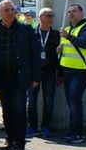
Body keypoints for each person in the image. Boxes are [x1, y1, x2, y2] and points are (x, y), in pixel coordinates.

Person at [0, 0, 40, 150]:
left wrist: (36, 77)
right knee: (7, 111)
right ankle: (10, 138)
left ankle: (19, 143)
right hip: (1, 77)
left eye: (11, 10)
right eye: (6, 10)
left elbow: (35, 54)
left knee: (19, 110)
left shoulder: (25, 29)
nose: (9, 12)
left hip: (19, 77)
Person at [59, 4, 86, 143]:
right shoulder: (68, 29)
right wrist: (60, 50)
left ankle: (78, 133)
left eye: (74, 11)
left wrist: (68, 36)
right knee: (71, 102)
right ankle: (73, 131)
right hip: (67, 71)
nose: (71, 14)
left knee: (75, 101)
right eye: (69, 12)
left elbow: (85, 43)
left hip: (81, 71)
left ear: (81, 12)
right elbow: (68, 51)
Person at [26, 8, 60, 138]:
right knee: (32, 100)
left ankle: (46, 126)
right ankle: (32, 126)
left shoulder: (56, 35)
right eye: (48, 15)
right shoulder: (31, 33)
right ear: (40, 17)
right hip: (34, 72)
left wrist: (60, 74)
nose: (51, 18)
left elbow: (60, 57)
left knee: (49, 100)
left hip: (49, 72)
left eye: (52, 15)